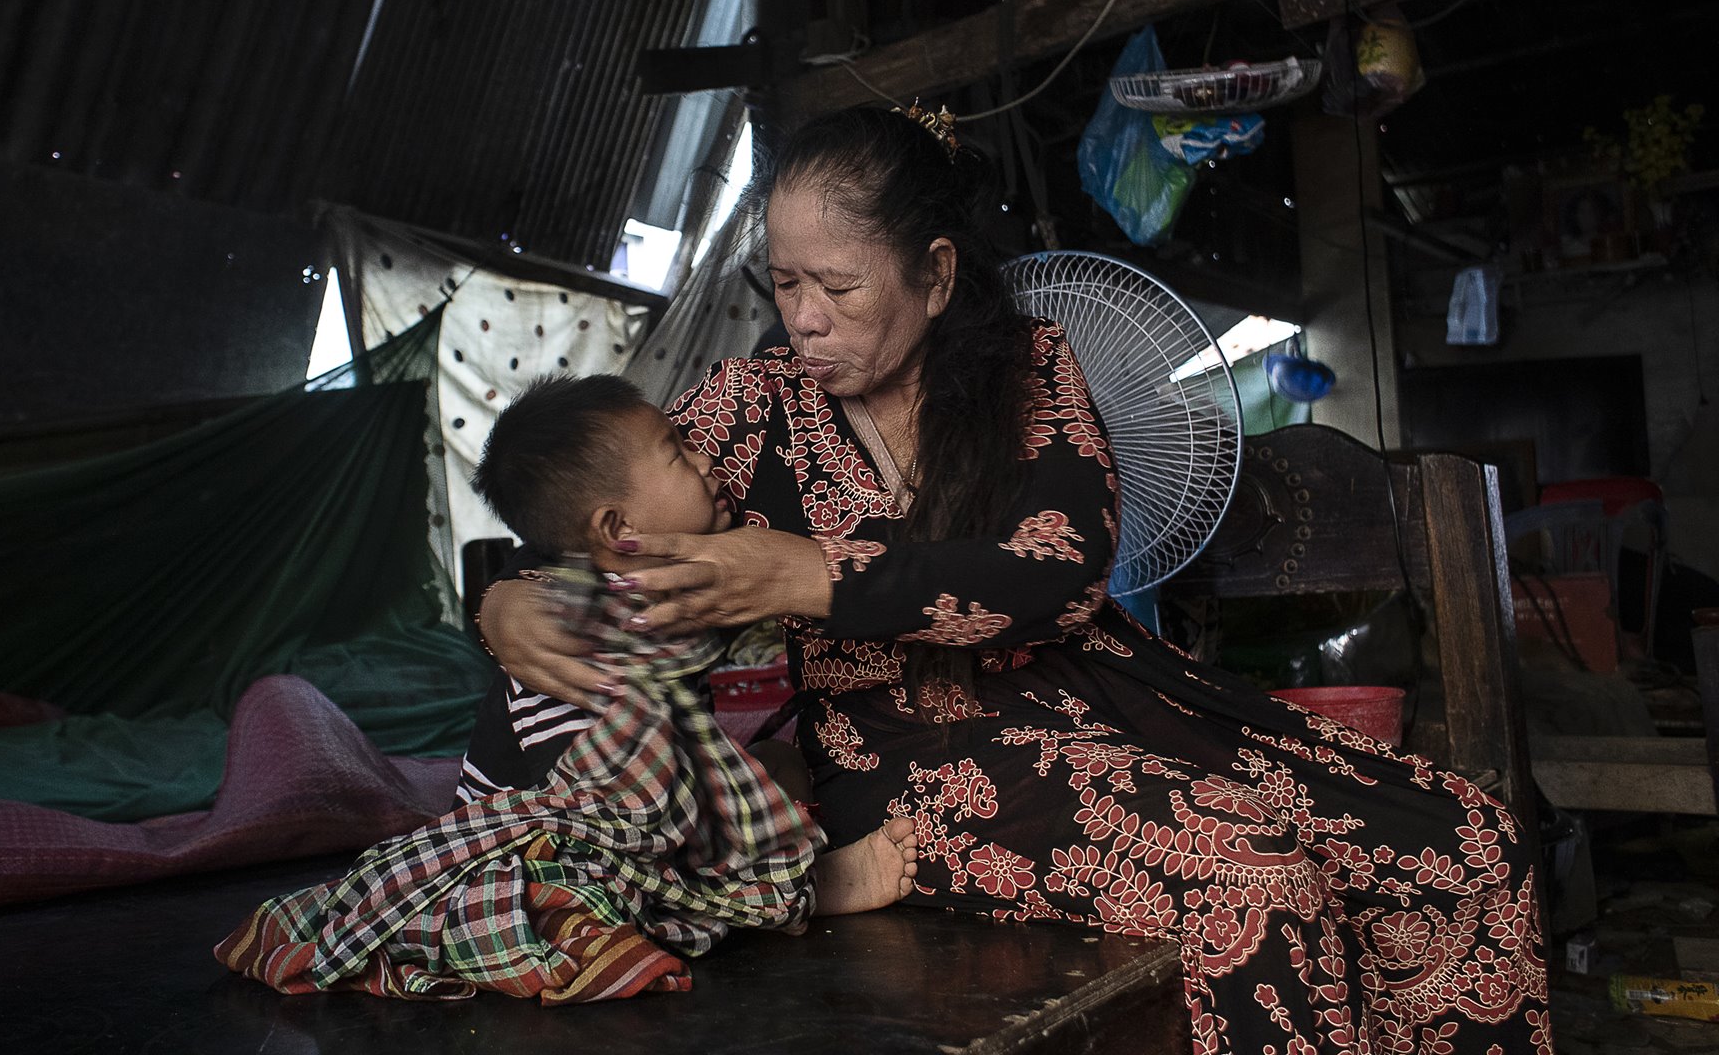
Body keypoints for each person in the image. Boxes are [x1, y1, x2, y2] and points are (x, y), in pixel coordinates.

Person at [477, 106, 1551, 1053]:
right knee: (1259, 878)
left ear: (937, 274)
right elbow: (598, 511)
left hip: (1123, 704)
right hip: (914, 758)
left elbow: (1059, 573)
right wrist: (509, 591)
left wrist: (819, 574)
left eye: (838, 287)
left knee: (1464, 841)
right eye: (786, 281)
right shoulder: (746, 406)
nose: (804, 317)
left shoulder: (1034, 369)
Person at [463, 373, 918, 916]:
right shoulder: (581, 642)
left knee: (779, 765)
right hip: (551, 841)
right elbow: (600, 822)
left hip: (655, 797)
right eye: (675, 453)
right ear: (617, 526)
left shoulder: (663, 594)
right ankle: (804, 893)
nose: (705, 459)